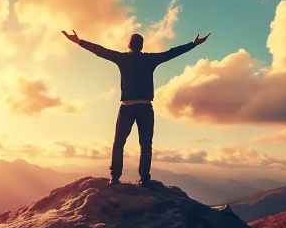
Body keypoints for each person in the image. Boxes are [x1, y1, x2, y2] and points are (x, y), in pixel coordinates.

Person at [62, 30, 210, 186]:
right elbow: (171, 53)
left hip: (126, 108)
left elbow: (100, 51)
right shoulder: (150, 59)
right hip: (145, 107)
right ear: (142, 46)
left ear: (129, 45)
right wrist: (193, 44)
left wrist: (79, 41)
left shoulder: (122, 58)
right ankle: (145, 178)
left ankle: (115, 177)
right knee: (145, 144)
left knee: (119, 143)